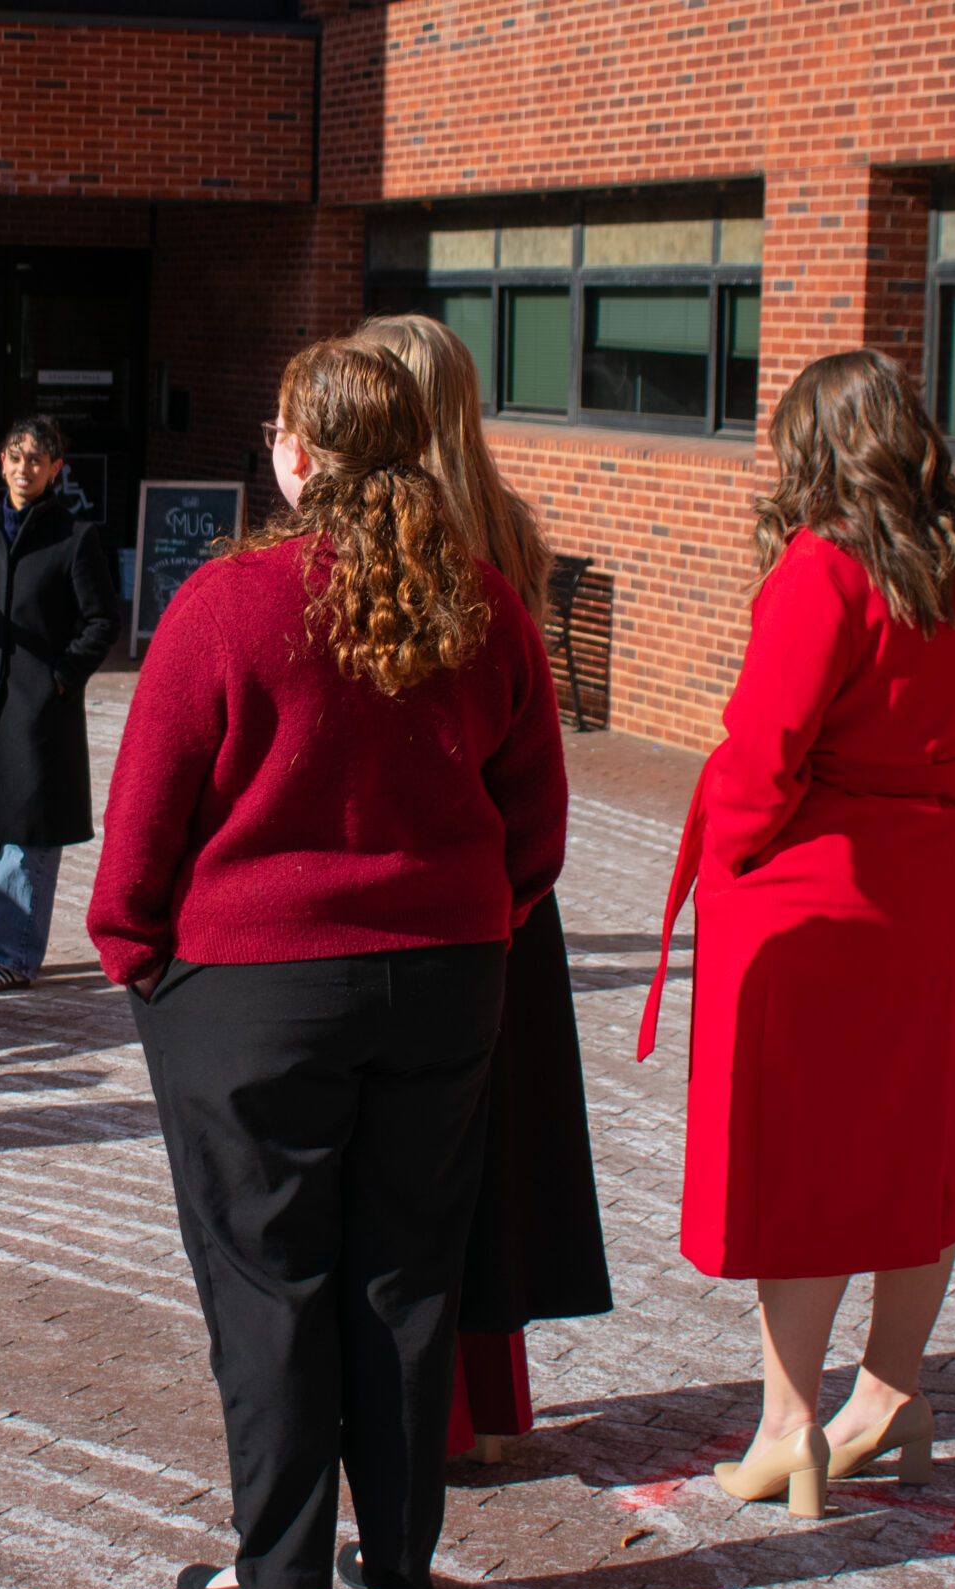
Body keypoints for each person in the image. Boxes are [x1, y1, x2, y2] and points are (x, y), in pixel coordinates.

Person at [91, 341, 567, 1589]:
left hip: (250, 989)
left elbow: (146, 816)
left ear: (298, 451)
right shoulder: (479, 599)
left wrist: (133, 945)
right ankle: (402, 1565)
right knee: (406, 1276)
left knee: (272, 1284)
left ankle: (283, 1574)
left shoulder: (230, 602)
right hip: (445, 979)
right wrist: (482, 920)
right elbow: (537, 820)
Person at [637, 350, 955, 1518]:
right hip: (935, 874)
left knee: (800, 1156)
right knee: (910, 1140)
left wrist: (735, 855)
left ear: (813, 447)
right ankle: (889, 1390)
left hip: (816, 885)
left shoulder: (822, 564)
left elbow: (762, 750)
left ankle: (791, 1423)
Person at [356, 314, 613, 1465]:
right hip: (507, 880)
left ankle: (431, 1415)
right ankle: (483, 1405)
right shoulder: (501, 525)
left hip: (416, 879)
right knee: (486, 1150)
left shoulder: (395, 540)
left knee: (404, 1157)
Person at [0, 416, 118, 993]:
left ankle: (11, 956)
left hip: (40, 710)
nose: (22, 468)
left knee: (29, 833)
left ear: (56, 469)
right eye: (14, 457)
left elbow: (101, 622)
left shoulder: (75, 536)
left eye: (36, 459)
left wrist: (61, 677)